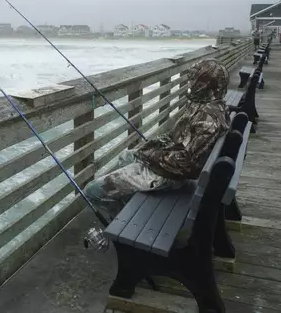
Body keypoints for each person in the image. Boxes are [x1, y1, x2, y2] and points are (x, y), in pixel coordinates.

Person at [84, 59, 231, 219]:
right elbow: (177, 137)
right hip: (172, 167)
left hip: (172, 177)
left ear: (204, 84)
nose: (190, 83)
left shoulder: (207, 119)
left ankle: (124, 223)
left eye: (194, 79)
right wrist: (152, 145)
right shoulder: (207, 105)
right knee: (126, 156)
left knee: (92, 191)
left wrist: (150, 155)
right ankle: (131, 207)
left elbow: (186, 164)